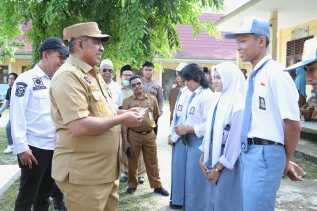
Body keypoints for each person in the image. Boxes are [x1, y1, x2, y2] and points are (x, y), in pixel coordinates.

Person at [50, 22, 144, 211]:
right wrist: (122, 119)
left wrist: (125, 112)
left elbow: (104, 110)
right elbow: (79, 126)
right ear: (80, 44)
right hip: (84, 175)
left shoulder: (93, 74)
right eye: (97, 42)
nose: (102, 48)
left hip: (105, 171)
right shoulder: (68, 76)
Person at [225, 18, 301, 211]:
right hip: (251, 152)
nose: (238, 47)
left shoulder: (275, 74)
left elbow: (292, 124)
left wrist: (284, 159)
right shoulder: (254, 76)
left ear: (261, 41)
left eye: (243, 41)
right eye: (237, 42)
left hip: (264, 153)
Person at [10, 37, 68, 211]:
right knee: (27, 196)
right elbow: (16, 115)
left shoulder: (58, 81)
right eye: (60, 57)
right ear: (46, 55)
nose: (63, 61)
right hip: (33, 149)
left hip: (55, 147)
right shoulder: (25, 80)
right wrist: (21, 148)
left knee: (44, 196)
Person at [200, 62, 244, 211]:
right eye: (214, 77)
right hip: (212, 159)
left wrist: (218, 168)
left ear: (230, 78)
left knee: (226, 200)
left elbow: (235, 140)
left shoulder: (238, 102)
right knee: (213, 200)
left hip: (227, 163)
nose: (214, 81)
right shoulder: (217, 98)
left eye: (219, 77)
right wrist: (203, 155)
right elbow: (209, 128)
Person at [175, 63, 215, 211]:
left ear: (196, 78)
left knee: (197, 184)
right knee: (190, 183)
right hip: (190, 144)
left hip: (200, 144)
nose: (186, 84)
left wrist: (190, 128)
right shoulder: (193, 95)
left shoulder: (207, 96)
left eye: (187, 80)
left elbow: (209, 125)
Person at [122, 75, 169, 196]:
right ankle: (132, 184)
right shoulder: (127, 101)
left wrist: (153, 133)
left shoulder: (152, 99)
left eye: (138, 84)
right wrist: (126, 141)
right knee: (132, 160)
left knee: (153, 161)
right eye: (134, 85)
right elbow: (124, 124)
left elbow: (156, 116)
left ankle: (157, 185)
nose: (137, 87)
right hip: (134, 135)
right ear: (131, 87)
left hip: (149, 135)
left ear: (142, 84)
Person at [118, 64, 146, 184]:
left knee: (139, 149)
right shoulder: (116, 89)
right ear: (121, 76)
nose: (128, 78)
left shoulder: (135, 89)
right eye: (126, 75)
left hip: (135, 123)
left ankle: (140, 173)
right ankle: (124, 171)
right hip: (120, 121)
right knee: (124, 146)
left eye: (130, 75)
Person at [168, 64, 191, 210]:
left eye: (180, 74)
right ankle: (175, 198)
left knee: (181, 170)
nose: (178, 77)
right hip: (176, 135)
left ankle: (179, 200)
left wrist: (175, 136)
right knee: (176, 170)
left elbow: (184, 119)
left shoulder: (190, 93)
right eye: (177, 74)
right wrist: (171, 134)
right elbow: (175, 116)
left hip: (182, 137)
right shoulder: (182, 92)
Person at [142, 61, 163, 134]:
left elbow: (160, 100)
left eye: (150, 70)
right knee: (139, 131)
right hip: (139, 112)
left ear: (153, 71)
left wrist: (159, 111)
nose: (148, 72)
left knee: (152, 131)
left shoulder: (157, 85)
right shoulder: (138, 83)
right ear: (143, 71)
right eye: (146, 70)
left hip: (152, 114)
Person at [1, 72, 18, 154]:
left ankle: (12, 146)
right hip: (13, 113)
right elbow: (6, 103)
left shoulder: (18, 89)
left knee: (10, 128)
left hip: (19, 114)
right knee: (9, 128)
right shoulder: (9, 90)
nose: (10, 80)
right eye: (9, 79)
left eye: (12, 79)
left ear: (16, 80)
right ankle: (12, 146)